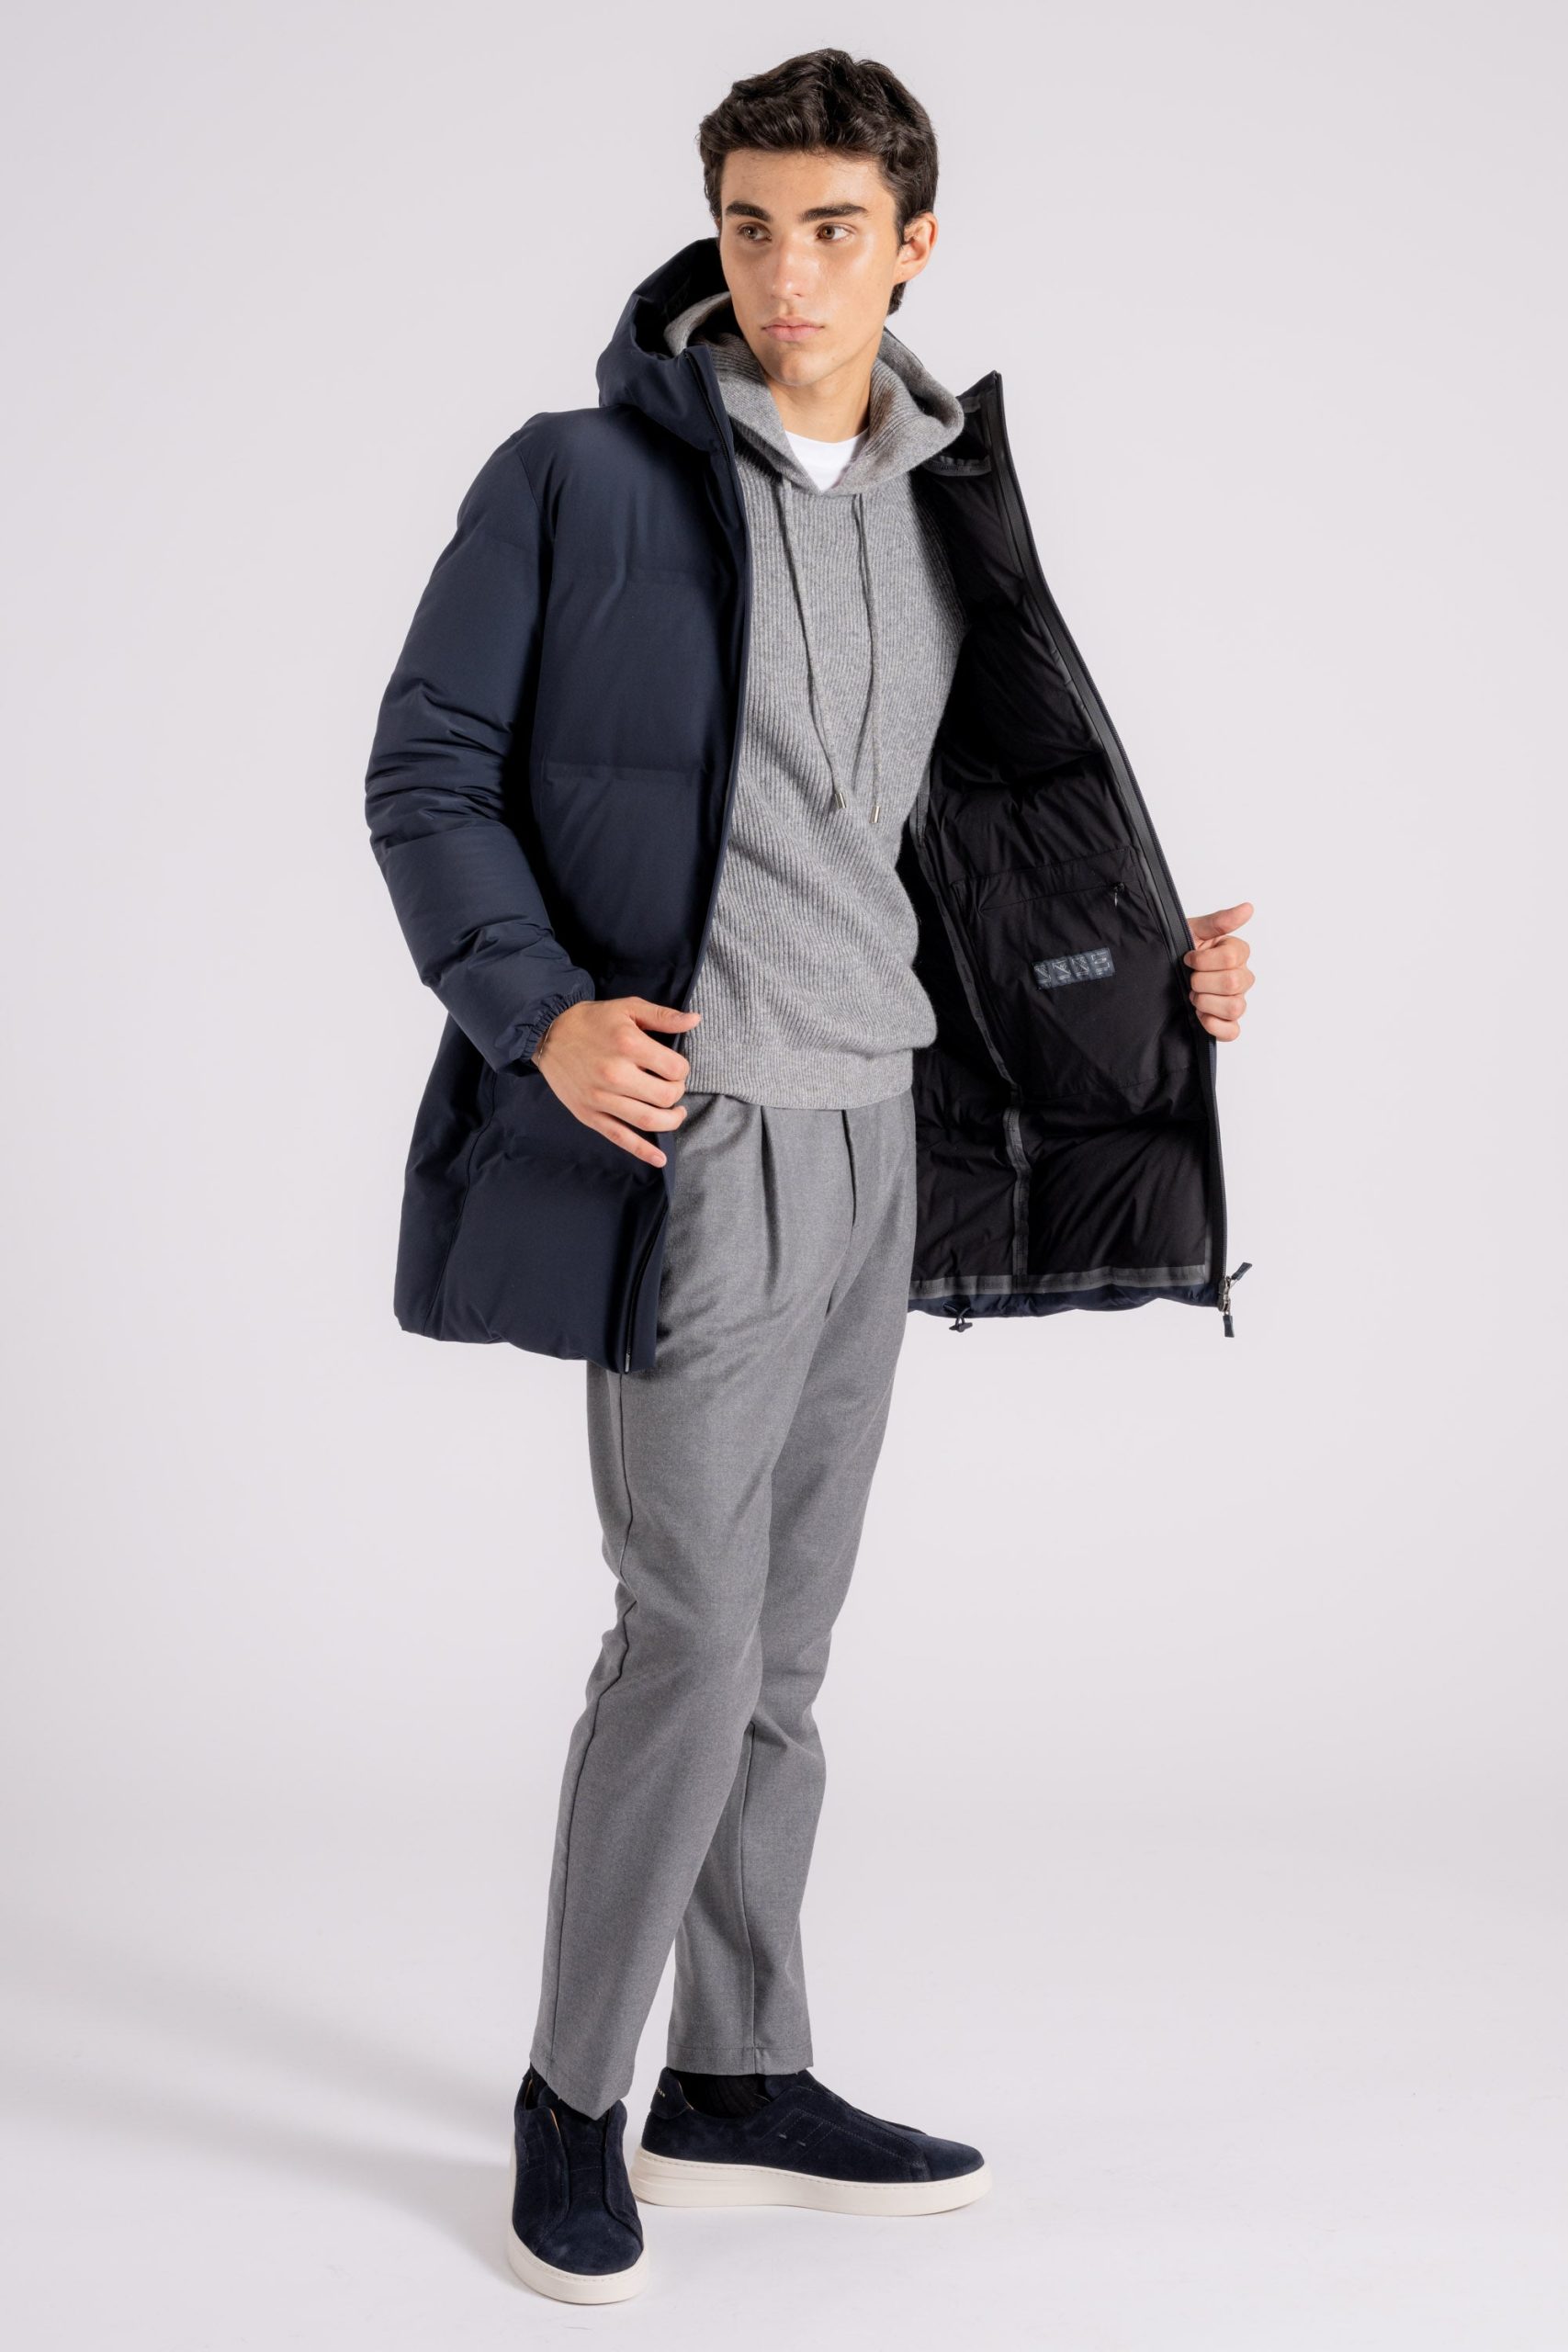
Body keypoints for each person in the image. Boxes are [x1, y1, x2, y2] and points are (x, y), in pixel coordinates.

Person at [364, 47, 1256, 2307]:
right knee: (683, 1631)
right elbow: (426, 769)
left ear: (912, 244)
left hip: (884, 1129)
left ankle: (737, 2072)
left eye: (832, 229)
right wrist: (537, 1011)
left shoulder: (949, 499)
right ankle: (571, 2100)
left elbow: (989, 830)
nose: (785, 273)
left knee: (784, 1643)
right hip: (697, 1133)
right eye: (750, 225)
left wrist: (1156, 980)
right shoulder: (579, 479)